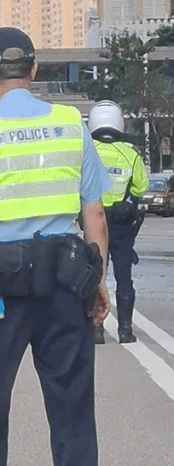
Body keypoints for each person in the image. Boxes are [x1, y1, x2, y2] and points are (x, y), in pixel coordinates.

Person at [0, 27, 111, 466]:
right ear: (34, 69)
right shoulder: (72, 124)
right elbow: (96, 215)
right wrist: (97, 281)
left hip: (0, 287)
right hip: (68, 284)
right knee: (72, 409)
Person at [88, 100, 148, 344]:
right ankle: (125, 330)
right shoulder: (131, 154)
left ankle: (96, 330)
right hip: (122, 224)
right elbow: (141, 187)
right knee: (125, 277)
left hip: (93, 219)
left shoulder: (87, 151)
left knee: (94, 274)